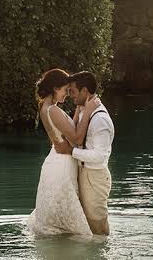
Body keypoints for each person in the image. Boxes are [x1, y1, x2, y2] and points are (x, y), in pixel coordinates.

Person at [26, 68, 101, 236]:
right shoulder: (52, 110)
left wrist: (80, 110)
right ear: (55, 88)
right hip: (62, 165)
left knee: (58, 216)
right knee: (67, 220)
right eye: (65, 90)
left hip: (56, 160)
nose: (67, 95)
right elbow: (77, 138)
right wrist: (88, 111)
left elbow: (68, 129)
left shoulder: (46, 107)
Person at [54, 71, 114, 235]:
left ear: (85, 91)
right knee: (87, 226)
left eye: (73, 91)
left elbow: (99, 156)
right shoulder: (84, 111)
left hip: (94, 176)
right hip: (84, 173)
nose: (70, 95)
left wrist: (71, 151)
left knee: (97, 227)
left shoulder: (99, 119)